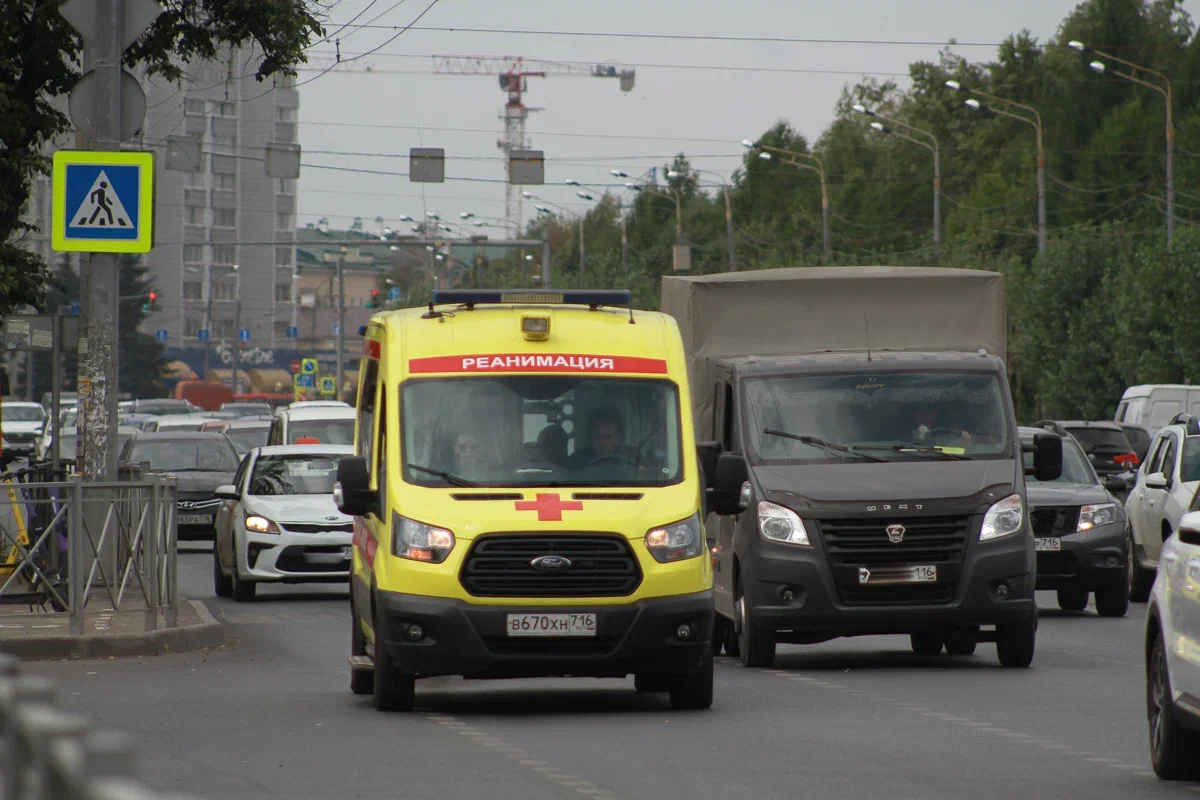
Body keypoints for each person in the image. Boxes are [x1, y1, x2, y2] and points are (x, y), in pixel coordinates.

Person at [569, 407, 633, 469]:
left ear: (618, 438)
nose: (603, 443)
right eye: (598, 437)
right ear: (591, 438)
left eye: (608, 437)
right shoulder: (577, 459)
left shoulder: (631, 457)